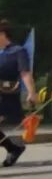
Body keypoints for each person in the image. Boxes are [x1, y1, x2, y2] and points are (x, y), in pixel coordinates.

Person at [0, 20, 35, 167]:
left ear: (2, 34)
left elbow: (25, 73)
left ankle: (13, 148)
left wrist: (31, 92)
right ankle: (13, 148)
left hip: (6, 94)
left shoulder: (17, 51)